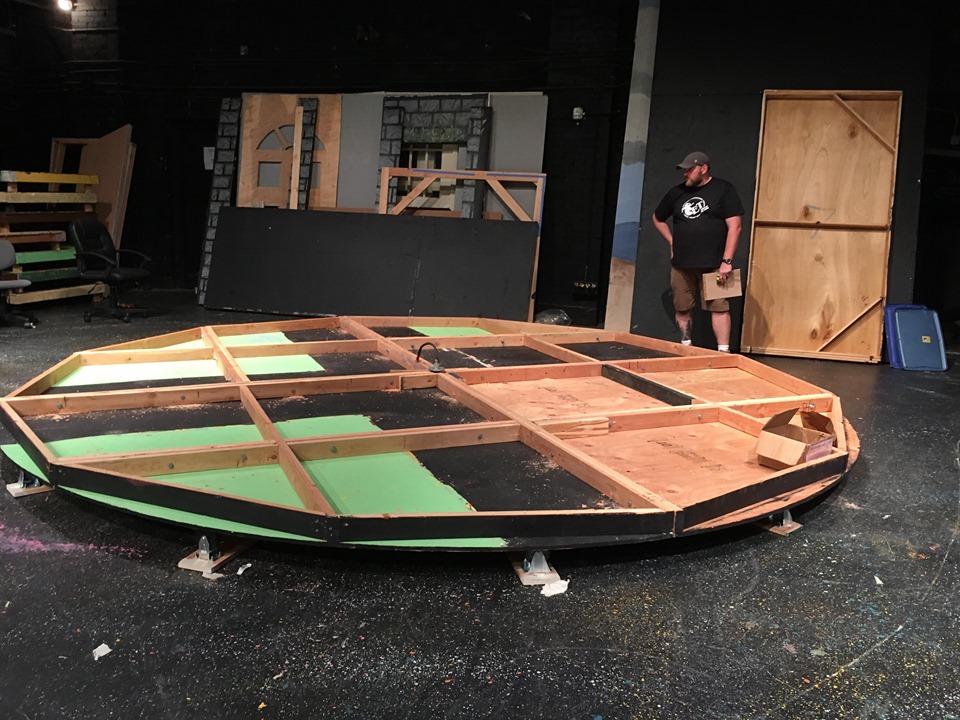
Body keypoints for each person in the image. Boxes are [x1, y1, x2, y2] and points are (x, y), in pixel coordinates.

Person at [651, 151, 743, 352]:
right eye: (684, 170)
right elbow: (657, 218)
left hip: (715, 265)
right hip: (682, 265)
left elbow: (735, 227)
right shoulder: (677, 192)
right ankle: (686, 348)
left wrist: (727, 261)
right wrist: (672, 241)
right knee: (682, 308)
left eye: (689, 169)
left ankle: (723, 351)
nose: (685, 174)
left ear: (704, 168)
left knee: (720, 308)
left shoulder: (723, 189)